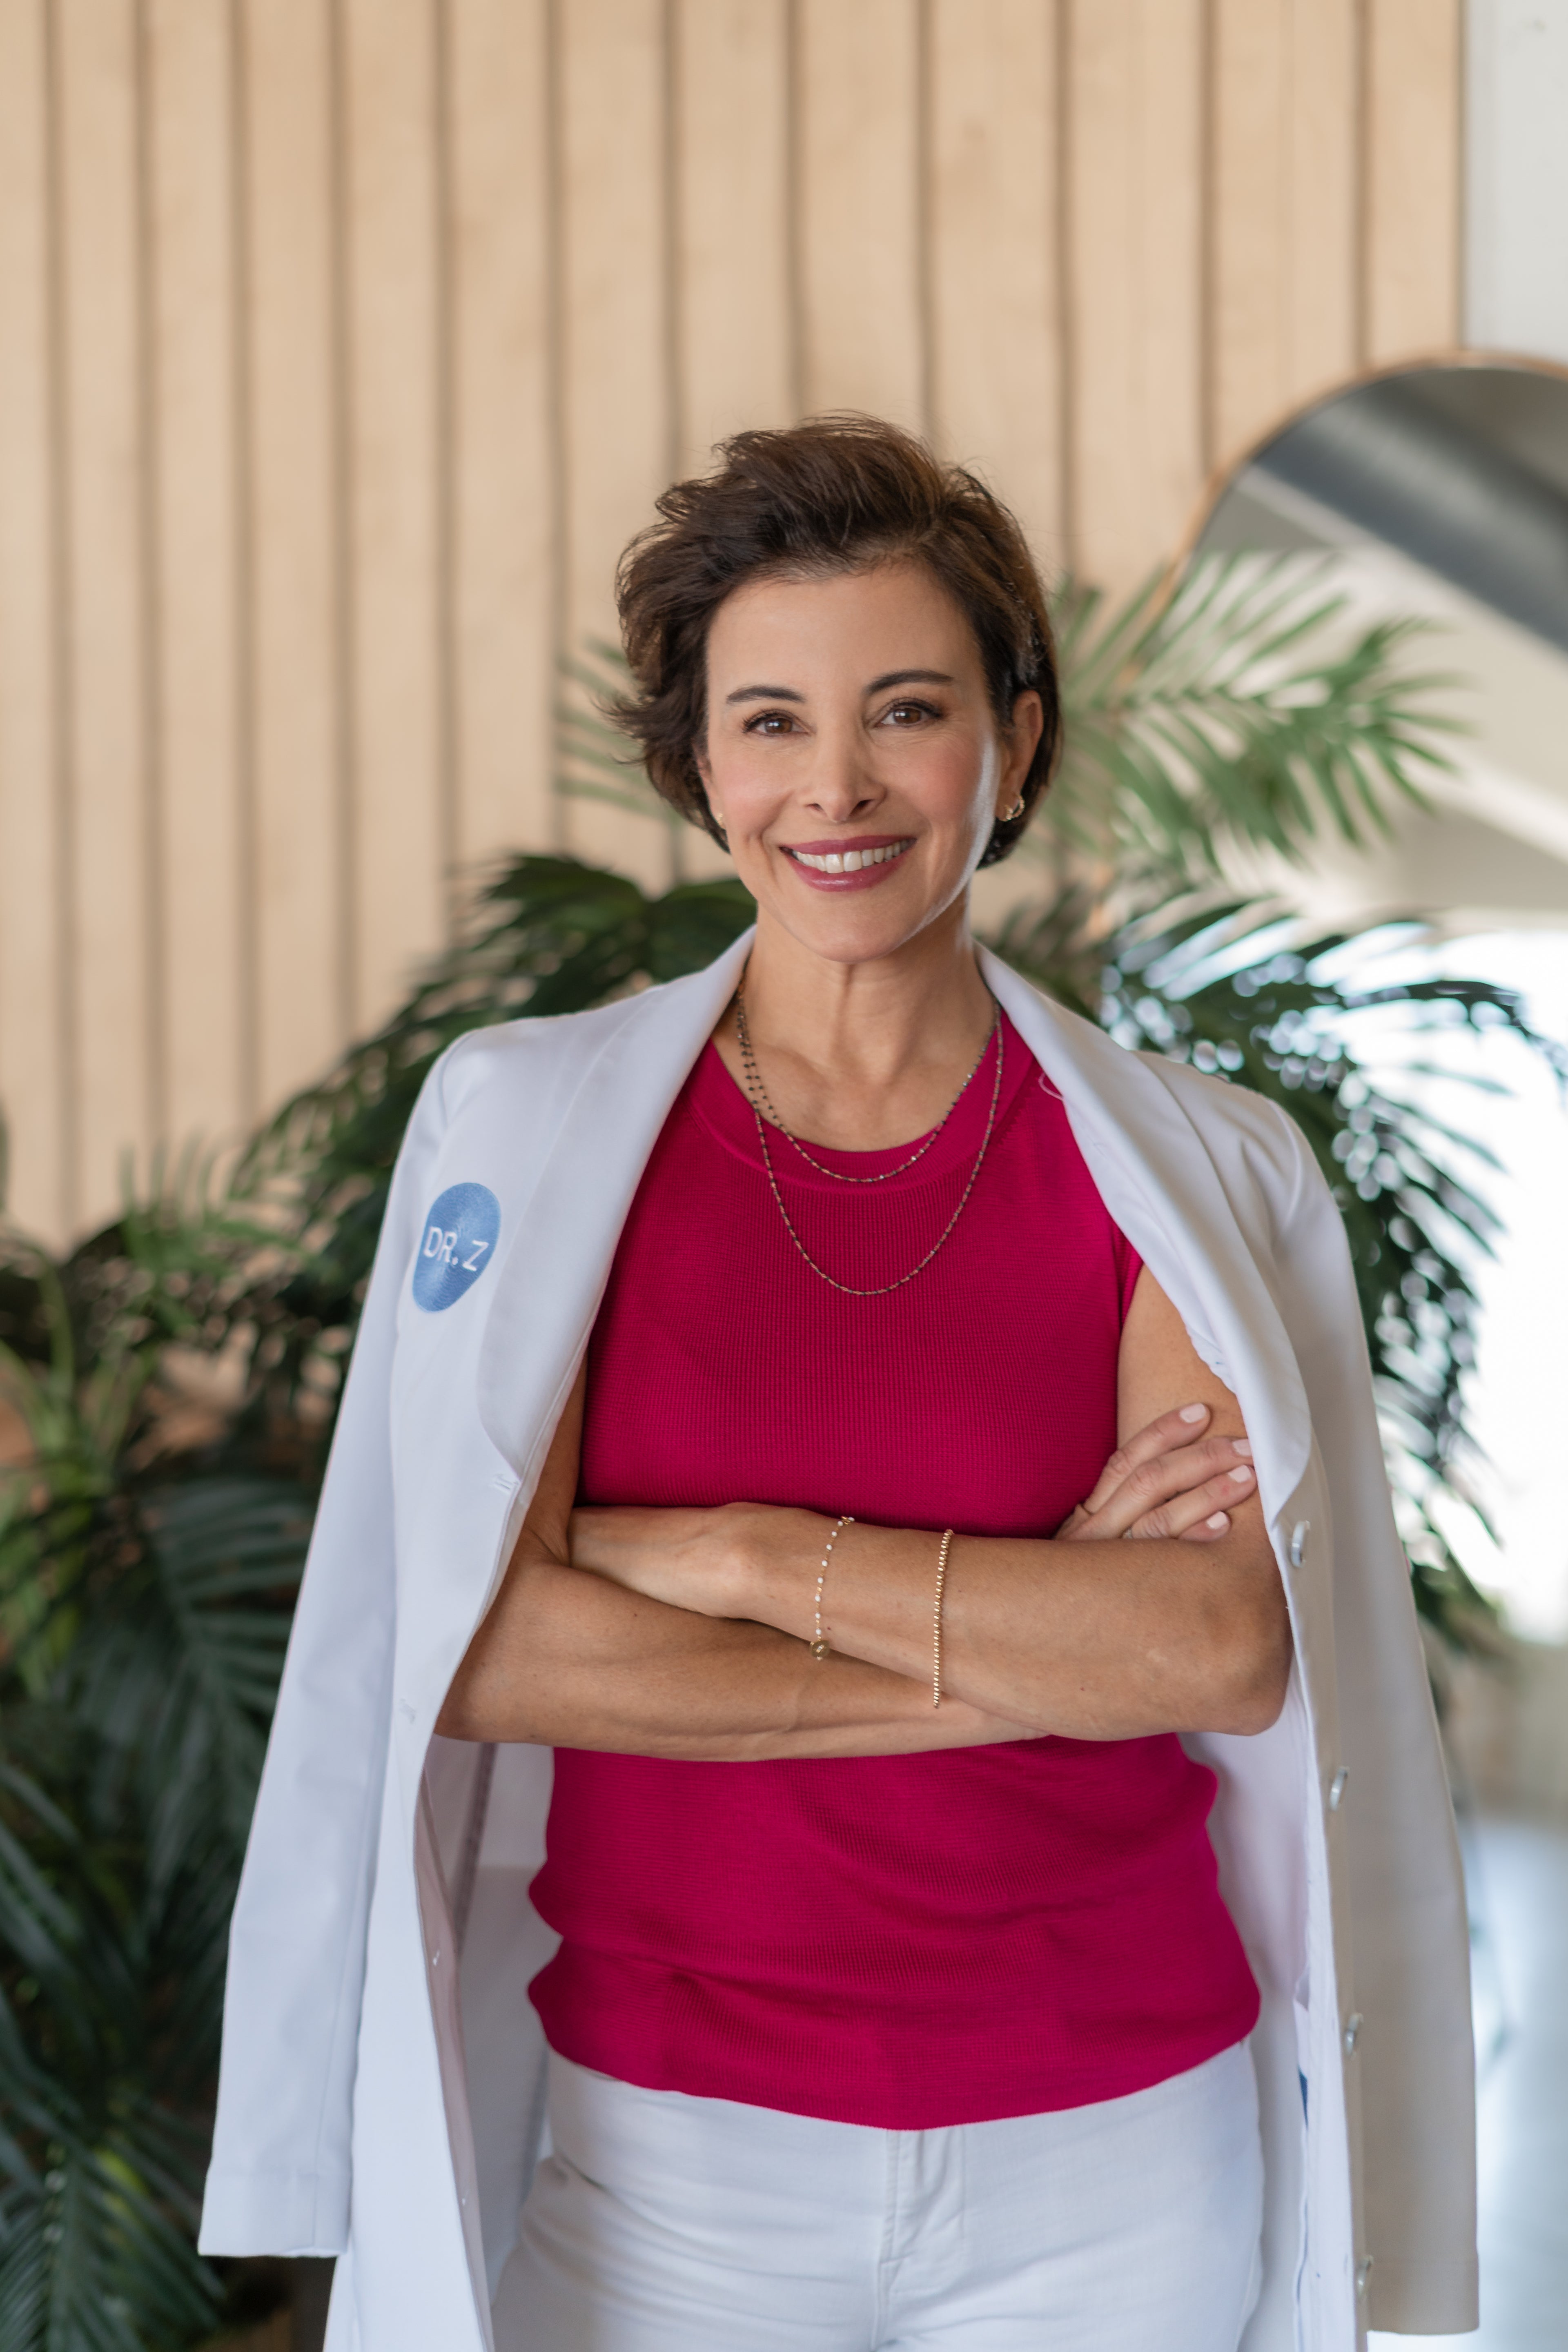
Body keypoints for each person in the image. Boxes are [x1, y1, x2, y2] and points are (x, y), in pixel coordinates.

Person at [200, 418, 1477, 2352]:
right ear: (699, 762)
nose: (839, 787)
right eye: (773, 721)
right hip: (668, 2167)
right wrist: (1036, 1639)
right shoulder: (536, 1133)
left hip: (1117, 2157)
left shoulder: (1186, 1170)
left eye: (906, 710)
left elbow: (1214, 1650)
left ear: (1014, 743)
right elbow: (479, 1652)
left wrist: (725, 1551)